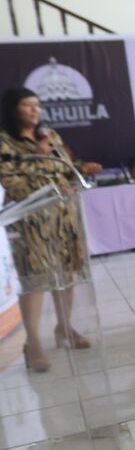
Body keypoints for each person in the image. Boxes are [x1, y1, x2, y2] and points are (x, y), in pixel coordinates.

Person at [0, 88, 102, 372]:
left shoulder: (49, 135)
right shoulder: (5, 141)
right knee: (36, 280)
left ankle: (65, 328)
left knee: (66, 275)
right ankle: (32, 343)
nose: (35, 110)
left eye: (37, 105)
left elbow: (65, 168)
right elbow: (7, 180)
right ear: (13, 109)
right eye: (27, 105)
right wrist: (37, 156)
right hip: (31, 224)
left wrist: (82, 169)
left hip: (64, 217)